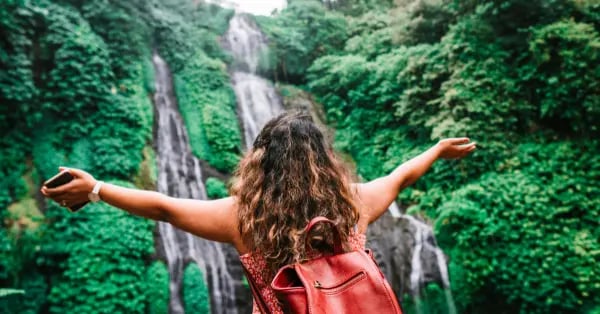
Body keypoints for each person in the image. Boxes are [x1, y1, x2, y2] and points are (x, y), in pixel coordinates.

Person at [41, 111, 476, 313]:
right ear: (322, 160)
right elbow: (401, 176)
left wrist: (96, 189)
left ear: (260, 162)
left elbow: (165, 208)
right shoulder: (352, 203)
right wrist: (437, 150)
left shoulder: (242, 218)